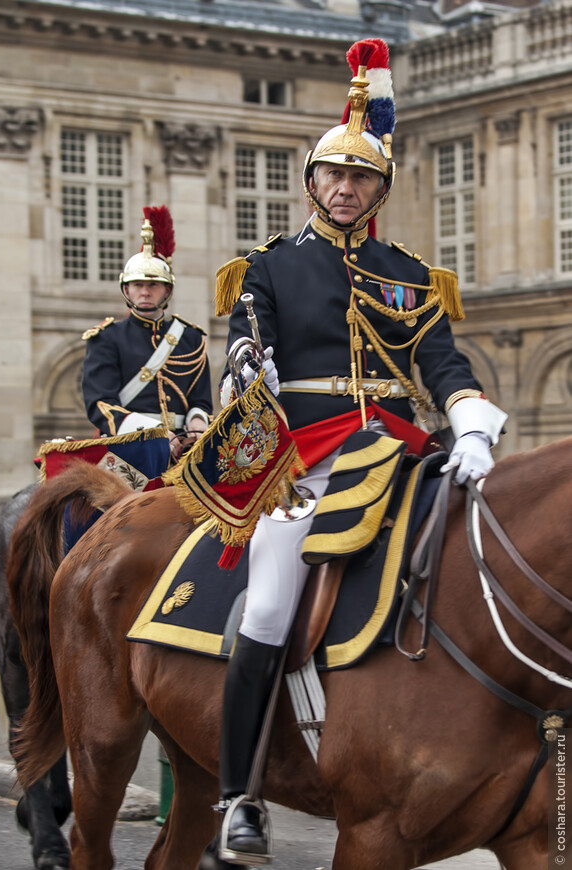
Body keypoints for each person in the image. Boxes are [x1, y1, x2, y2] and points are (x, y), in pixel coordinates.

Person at [214, 38, 507, 864]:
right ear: (313, 182)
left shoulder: (408, 274)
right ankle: (240, 793)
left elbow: (441, 361)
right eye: (334, 177)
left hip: (396, 448)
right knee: (270, 606)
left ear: (379, 189)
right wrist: (250, 367)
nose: (347, 190)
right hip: (304, 462)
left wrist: (471, 414)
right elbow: (247, 339)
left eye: (363, 179)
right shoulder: (269, 267)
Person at [82, 205, 213, 459]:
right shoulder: (106, 338)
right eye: (138, 285)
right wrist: (154, 432)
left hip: (184, 449)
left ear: (166, 291)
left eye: (153, 285)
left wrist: (197, 422)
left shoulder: (191, 339)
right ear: (126, 290)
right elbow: (101, 405)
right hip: (128, 445)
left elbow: (201, 400)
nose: (145, 291)